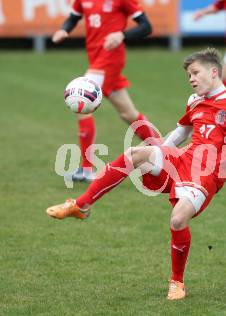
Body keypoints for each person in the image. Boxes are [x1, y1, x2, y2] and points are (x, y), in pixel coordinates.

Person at [46, 48, 226, 300]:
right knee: (135, 154)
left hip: (207, 174)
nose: (192, 79)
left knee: (177, 220)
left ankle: (177, 282)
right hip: (184, 158)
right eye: (189, 76)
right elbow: (181, 133)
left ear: (214, 72)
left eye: (195, 73)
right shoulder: (194, 100)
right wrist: (157, 150)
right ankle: (81, 205)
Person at [52, 0, 160, 182]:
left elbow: (146, 26)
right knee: (128, 114)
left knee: (81, 102)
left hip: (109, 59)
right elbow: (73, 17)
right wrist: (64, 30)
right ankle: (166, 152)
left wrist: (122, 35)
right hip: (96, 60)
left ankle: (87, 170)